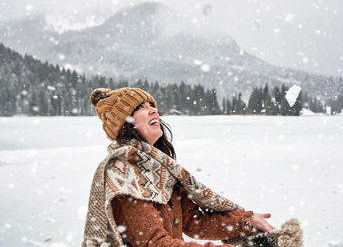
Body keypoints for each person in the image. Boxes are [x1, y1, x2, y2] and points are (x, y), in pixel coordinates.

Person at [82, 87, 275, 247]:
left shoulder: (160, 169)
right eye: (141, 107)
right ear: (125, 123)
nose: (153, 110)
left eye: (152, 105)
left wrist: (246, 222)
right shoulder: (122, 173)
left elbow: (193, 222)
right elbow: (154, 243)